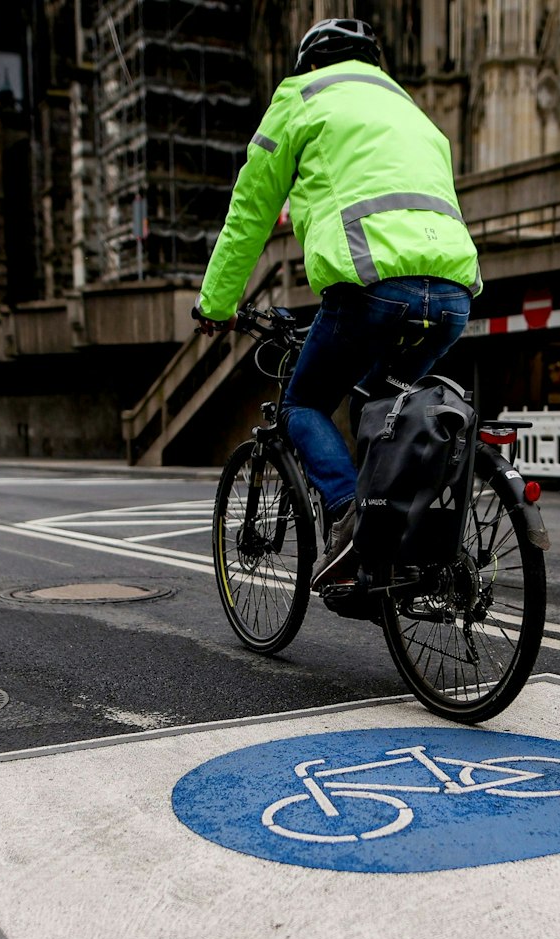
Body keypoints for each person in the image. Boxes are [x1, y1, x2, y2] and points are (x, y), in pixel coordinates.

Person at [194, 17, 481, 589]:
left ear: (311, 62)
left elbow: (250, 210)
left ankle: (351, 521)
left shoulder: (299, 98)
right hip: (453, 292)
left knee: (303, 405)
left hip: (370, 285)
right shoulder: (411, 109)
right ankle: (399, 550)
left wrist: (216, 303)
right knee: (382, 408)